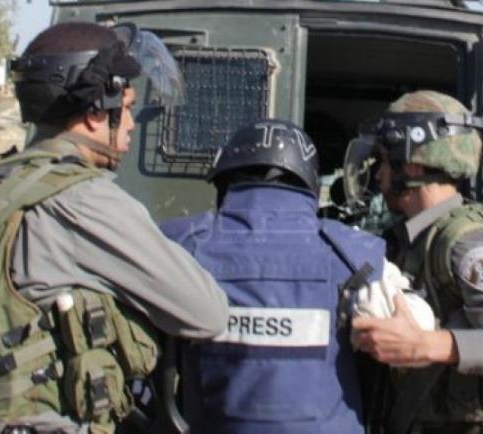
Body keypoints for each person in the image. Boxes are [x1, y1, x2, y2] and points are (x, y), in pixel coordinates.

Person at [0, 22, 229, 434]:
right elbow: (207, 312)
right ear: (94, 113)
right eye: (128, 107)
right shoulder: (82, 199)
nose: (132, 124)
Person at [160, 119, 398, 434]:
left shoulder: (179, 244)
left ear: (226, 180)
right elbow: (415, 332)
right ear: (308, 182)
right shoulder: (353, 254)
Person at [350, 90, 483, 434]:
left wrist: (428, 345)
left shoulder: (468, 243)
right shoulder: (412, 239)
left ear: (412, 165)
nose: (378, 175)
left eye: (385, 162)